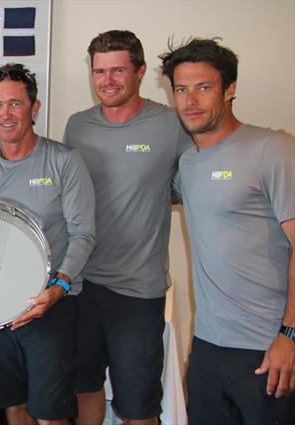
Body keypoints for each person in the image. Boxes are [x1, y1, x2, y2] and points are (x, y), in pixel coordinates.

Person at [160, 38, 295, 424]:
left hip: (269, 347)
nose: (190, 101)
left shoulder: (274, 148)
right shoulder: (187, 163)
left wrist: (291, 336)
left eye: (204, 88)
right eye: (181, 90)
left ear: (230, 89)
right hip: (208, 348)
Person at [0, 63, 96, 425]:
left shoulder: (64, 161)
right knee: (13, 405)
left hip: (51, 305)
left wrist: (59, 286)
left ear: (35, 108)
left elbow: (83, 233)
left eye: (15, 104)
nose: (6, 114)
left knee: (50, 414)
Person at [63, 30, 191, 425]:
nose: (107, 80)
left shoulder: (171, 125)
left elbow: (191, 188)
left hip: (138, 290)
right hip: (81, 284)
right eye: (99, 71)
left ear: (139, 71)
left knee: (138, 406)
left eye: (118, 69)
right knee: (84, 388)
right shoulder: (78, 125)